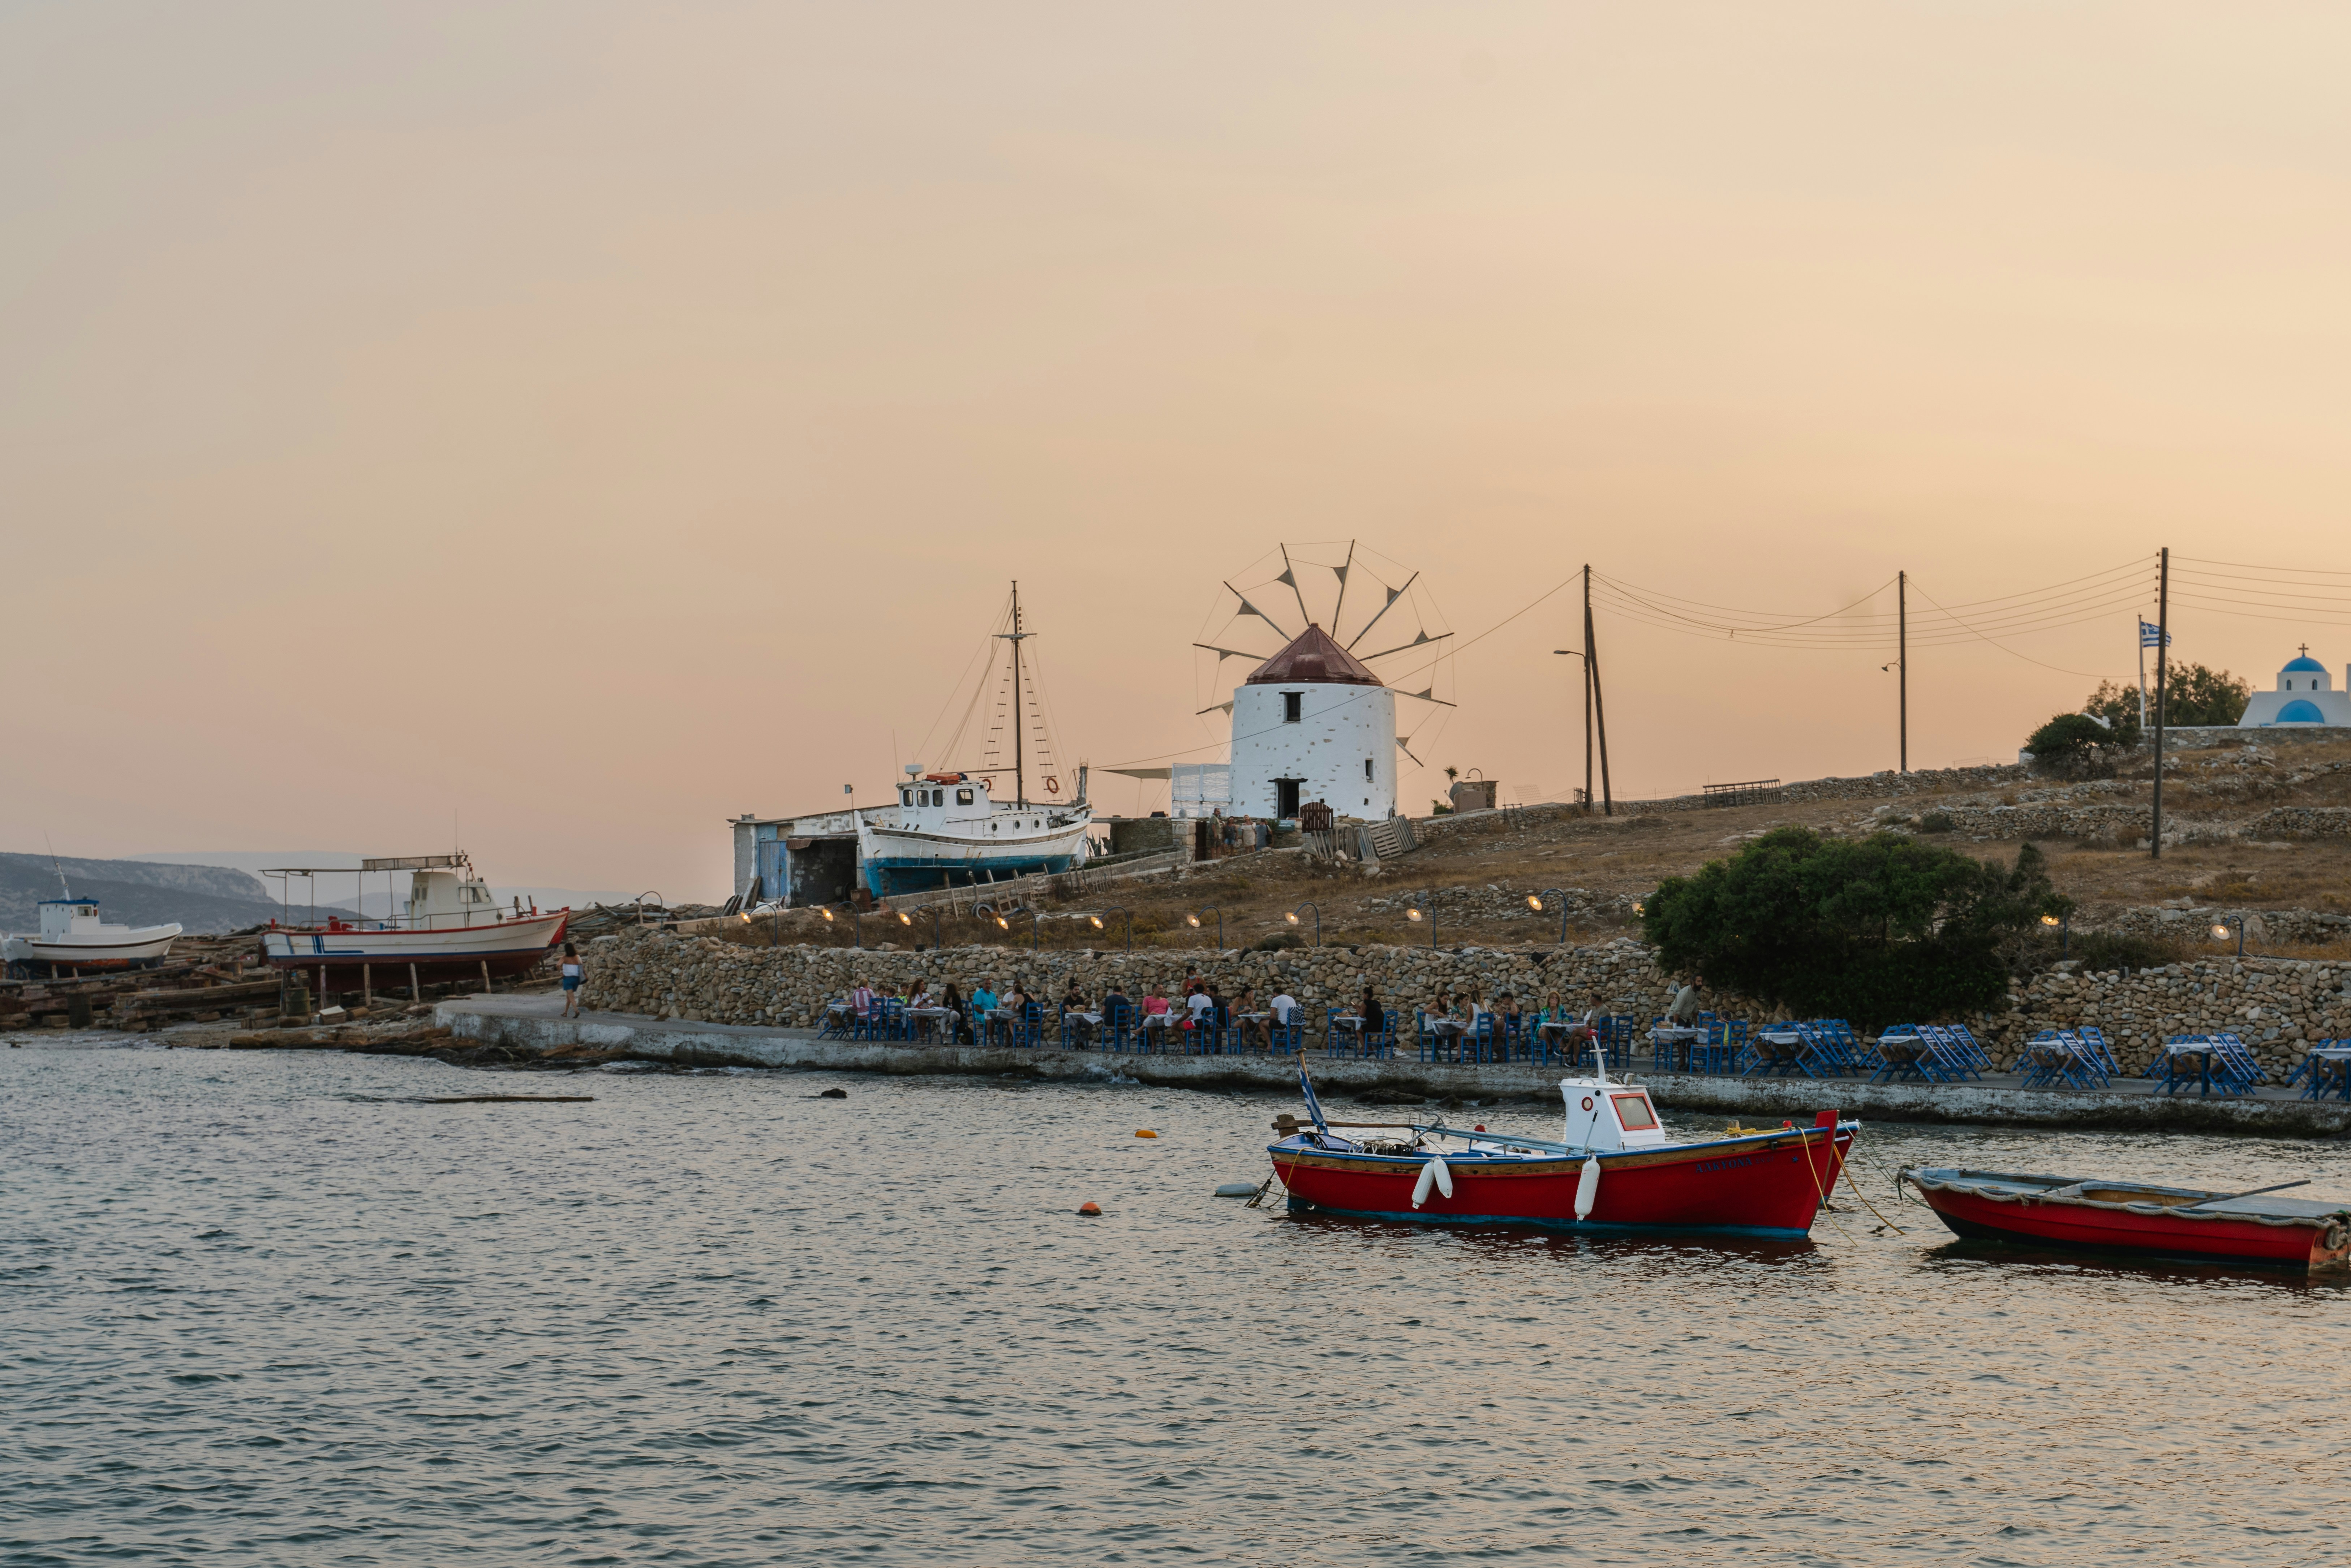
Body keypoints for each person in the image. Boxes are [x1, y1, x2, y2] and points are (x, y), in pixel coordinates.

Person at [1268, 986, 1299, 1051]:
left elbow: (1272, 1017)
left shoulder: (1276, 999)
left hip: (1284, 1025)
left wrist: (1273, 1002)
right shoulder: (1291, 998)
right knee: (1276, 1023)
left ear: (1275, 994)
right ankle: (1281, 1040)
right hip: (1294, 1024)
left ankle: (1270, 1044)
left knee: (1261, 1024)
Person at [558, 942, 584, 1017]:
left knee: (571, 996)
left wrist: (561, 971)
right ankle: (565, 1013)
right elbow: (582, 965)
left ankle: (576, 1010)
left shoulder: (564, 958)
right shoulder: (578, 957)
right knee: (569, 996)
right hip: (577, 979)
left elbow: (558, 965)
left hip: (568, 979)